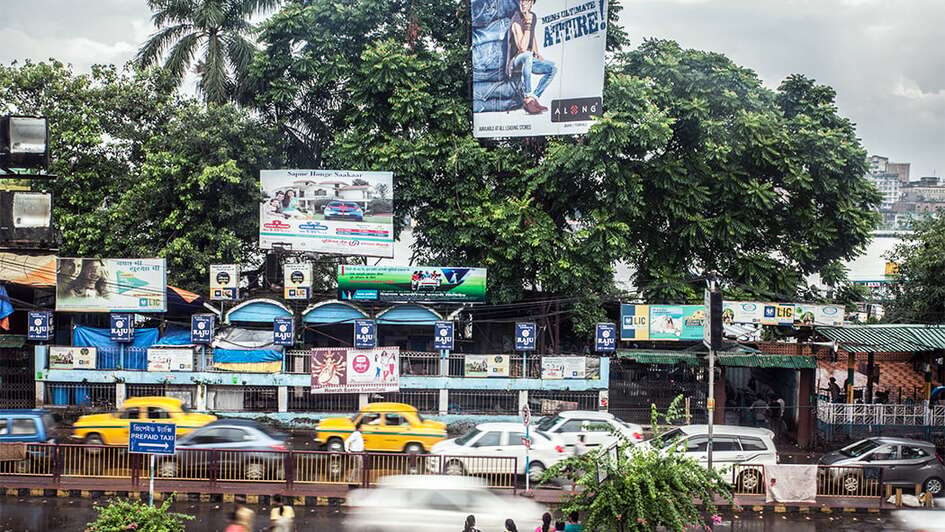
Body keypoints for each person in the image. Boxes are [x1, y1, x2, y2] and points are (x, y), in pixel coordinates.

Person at [506, 0, 557, 114]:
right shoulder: (516, 20)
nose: (523, 3)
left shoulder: (533, 16)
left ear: (531, 3)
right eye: (521, 1)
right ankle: (527, 96)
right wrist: (528, 25)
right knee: (527, 55)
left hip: (528, 59)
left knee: (552, 69)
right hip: (515, 60)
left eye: (527, 1)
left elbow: (532, 37)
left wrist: (537, 53)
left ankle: (534, 97)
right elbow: (522, 48)